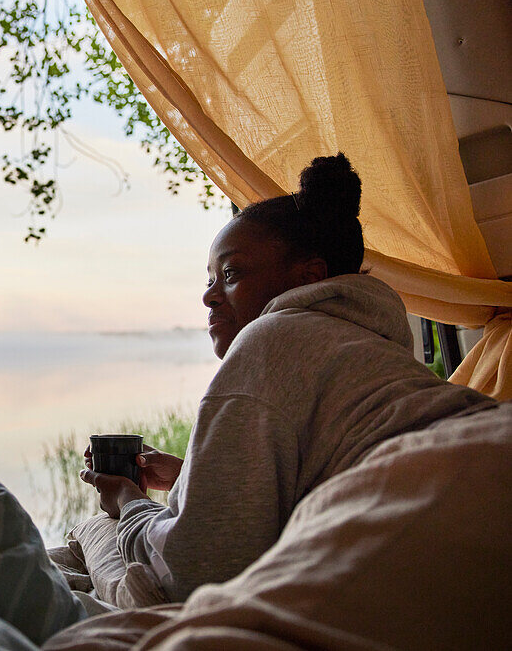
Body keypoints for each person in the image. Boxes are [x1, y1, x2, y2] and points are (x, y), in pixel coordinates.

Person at [79, 153, 499, 604]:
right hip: (487, 487)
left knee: (90, 532)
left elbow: (193, 573)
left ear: (308, 277)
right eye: (210, 278)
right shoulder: (364, 345)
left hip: (460, 503)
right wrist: (189, 479)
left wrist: (127, 504)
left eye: (231, 273)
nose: (208, 295)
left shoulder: (271, 338)